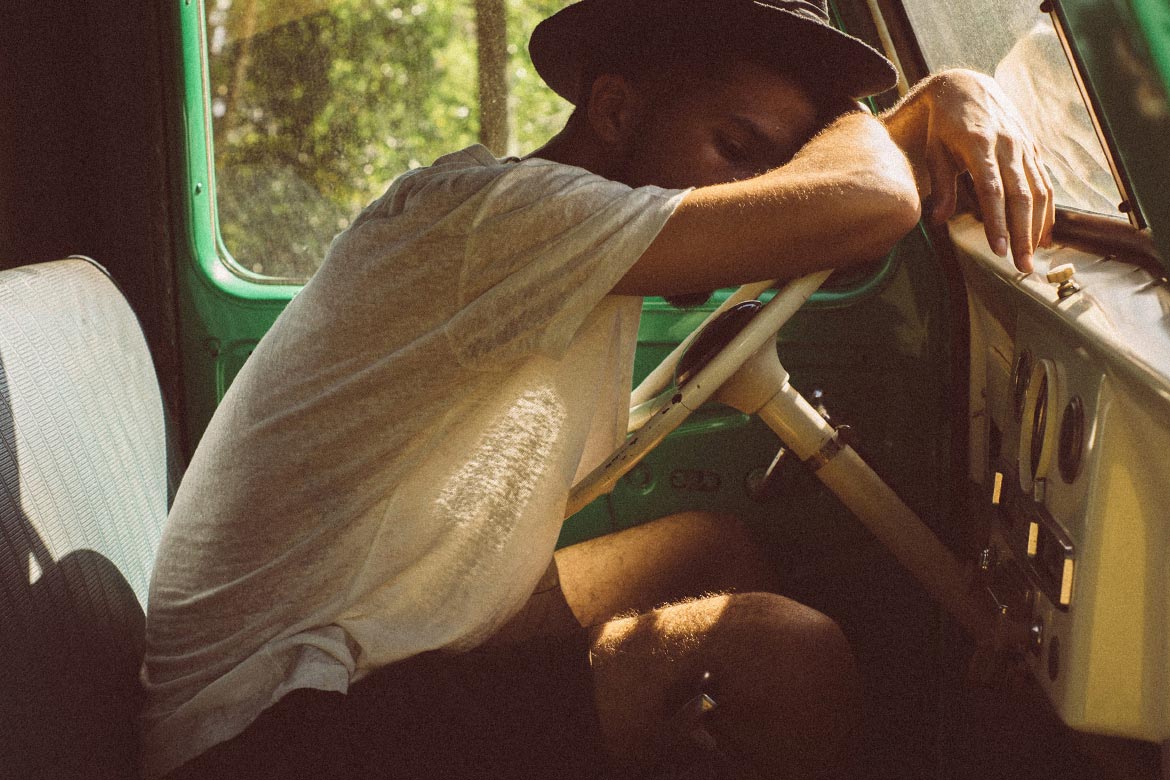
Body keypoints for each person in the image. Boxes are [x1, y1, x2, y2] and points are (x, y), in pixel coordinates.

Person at [141, 1, 1054, 778]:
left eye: (774, 168)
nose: (758, 193)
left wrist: (907, 114)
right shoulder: (499, 218)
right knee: (787, 657)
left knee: (709, 551)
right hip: (266, 730)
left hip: (371, 638)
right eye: (736, 148)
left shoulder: (581, 235)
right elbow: (869, 203)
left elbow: (838, 198)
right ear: (614, 109)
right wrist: (927, 97)